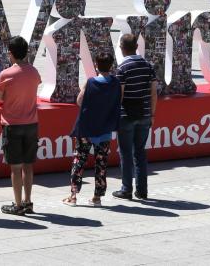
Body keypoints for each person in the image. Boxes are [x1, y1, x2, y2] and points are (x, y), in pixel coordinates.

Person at [63, 53, 121, 207]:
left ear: (96, 65)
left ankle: (73, 196)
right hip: (105, 128)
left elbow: (79, 101)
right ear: (111, 65)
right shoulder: (115, 83)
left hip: (87, 128)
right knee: (101, 163)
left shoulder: (91, 83)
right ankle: (97, 197)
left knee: (79, 160)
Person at [0, 36, 41, 215]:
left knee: (15, 167)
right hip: (31, 123)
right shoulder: (34, 72)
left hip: (12, 124)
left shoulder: (6, 74)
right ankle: (28, 201)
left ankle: (18, 203)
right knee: (28, 165)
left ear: (10, 53)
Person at [112, 34, 158, 201]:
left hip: (126, 115)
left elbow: (120, 94)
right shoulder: (148, 66)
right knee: (140, 152)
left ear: (122, 48)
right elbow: (153, 92)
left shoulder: (122, 68)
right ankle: (142, 190)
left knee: (125, 153)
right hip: (145, 113)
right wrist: (152, 114)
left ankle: (126, 189)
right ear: (136, 47)